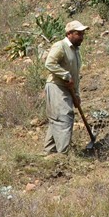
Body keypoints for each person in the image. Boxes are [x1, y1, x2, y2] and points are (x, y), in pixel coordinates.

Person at [42, 20, 87, 154]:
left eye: (83, 34)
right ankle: (62, 155)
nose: (82, 37)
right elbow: (49, 63)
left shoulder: (76, 51)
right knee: (64, 117)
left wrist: (77, 95)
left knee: (58, 118)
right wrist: (66, 76)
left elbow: (75, 75)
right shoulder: (60, 46)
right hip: (56, 86)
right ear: (69, 34)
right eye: (79, 34)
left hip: (67, 89)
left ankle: (50, 152)